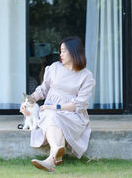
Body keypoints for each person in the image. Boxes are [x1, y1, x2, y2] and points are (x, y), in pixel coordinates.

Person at [20, 36, 96, 172]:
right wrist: (28, 101)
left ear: (74, 52)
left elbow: (80, 104)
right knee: (51, 116)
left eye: (63, 51)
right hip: (51, 112)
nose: (60, 55)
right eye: (60, 51)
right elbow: (42, 91)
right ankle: (54, 156)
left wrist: (56, 107)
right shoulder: (54, 68)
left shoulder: (86, 76)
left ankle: (53, 153)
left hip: (73, 116)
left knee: (52, 115)